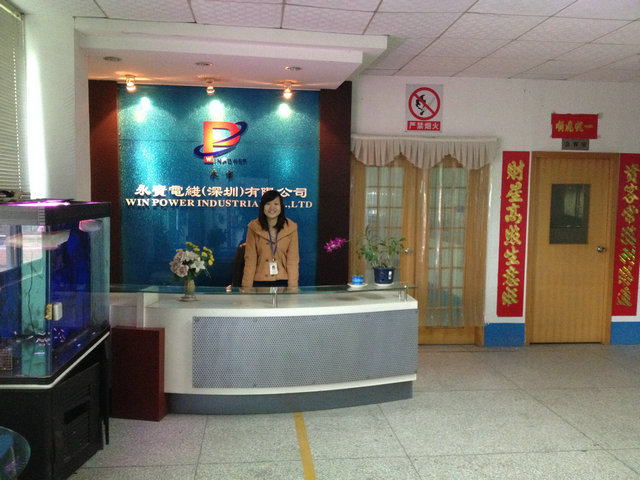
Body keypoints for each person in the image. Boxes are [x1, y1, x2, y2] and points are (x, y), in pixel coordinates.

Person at [242, 190, 299, 288]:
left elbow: (292, 262)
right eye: (268, 204)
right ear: (262, 207)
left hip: (283, 283)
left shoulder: (291, 228)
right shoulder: (253, 227)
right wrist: (247, 289)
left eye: (276, 204)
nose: (272, 207)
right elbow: (250, 261)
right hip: (259, 283)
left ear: (281, 207)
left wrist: (292, 290)